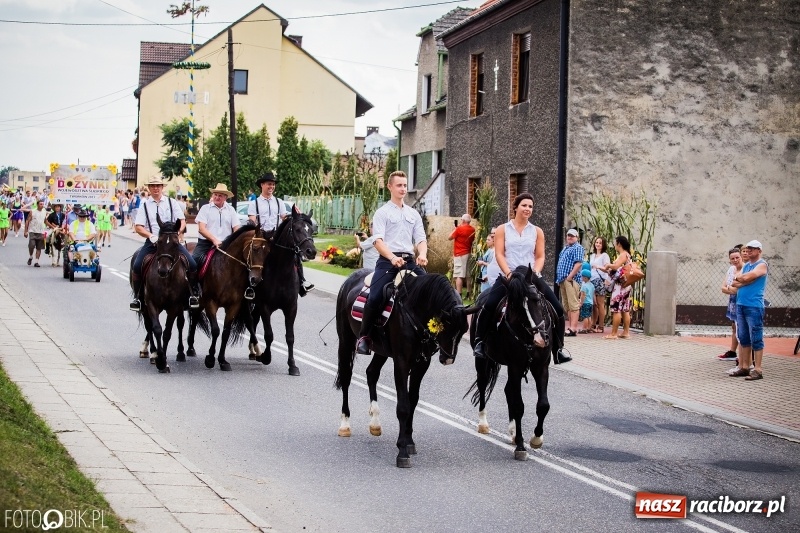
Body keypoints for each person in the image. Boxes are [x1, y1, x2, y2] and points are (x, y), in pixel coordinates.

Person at [472, 193, 571, 364]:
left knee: (558, 308)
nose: (528, 209)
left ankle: (559, 349)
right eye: (524, 205)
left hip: (530, 276)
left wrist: (535, 273)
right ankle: (480, 342)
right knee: (488, 305)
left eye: (531, 206)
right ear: (516, 207)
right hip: (508, 276)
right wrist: (508, 273)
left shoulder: (537, 231)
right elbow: (499, 253)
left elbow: (540, 256)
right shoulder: (503, 229)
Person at [355, 170, 428, 355]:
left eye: (405, 185)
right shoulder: (382, 213)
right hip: (387, 262)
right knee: (376, 295)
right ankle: (364, 337)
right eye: (399, 185)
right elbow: (378, 241)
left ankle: (428, 335)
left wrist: (422, 254)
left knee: (429, 291)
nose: (403, 189)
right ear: (390, 187)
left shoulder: (413, 214)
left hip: (410, 261)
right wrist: (392, 258)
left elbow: (420, 239)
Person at [130, 176, 199, 311]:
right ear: (149, 188)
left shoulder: (171, 202)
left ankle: (193, 295)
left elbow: (182, 220)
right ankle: (138, 298)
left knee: (192, 263)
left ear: (162, 187)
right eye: (153, 186)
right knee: (137, 265)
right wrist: (151, 236)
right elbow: (138, 226)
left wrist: (176, 234)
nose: (156, 188)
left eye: (158, 186)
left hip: (171, 242)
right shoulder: (144, 205)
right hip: (153, 242)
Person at [248, 172, 314, 295]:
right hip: (262, 238)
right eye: (269, 184)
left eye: (273, 184)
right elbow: (252, 220)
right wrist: (254, 229)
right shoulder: (254, 203)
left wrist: (295, 215)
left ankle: (302, 281)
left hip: (276, 238)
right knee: (253, 258)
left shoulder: (279, 202)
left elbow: (284, 218)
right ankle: (250, 287)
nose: (271, 187)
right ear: (262, 185)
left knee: (294, 254)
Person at [730, 240, 768, 381]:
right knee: (744, 336)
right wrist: (745, 279)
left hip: (754, 306)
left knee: (756, 337)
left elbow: (745, 277)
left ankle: (757, 369)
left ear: (759, 251)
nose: (750, 251)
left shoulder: (762, 265)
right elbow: (734, 282)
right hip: (741, 304)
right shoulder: (746, 266)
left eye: (753, 249)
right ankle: (744, 366)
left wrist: (744, 279)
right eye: (748, 248)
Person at [193, 183, 240, 266]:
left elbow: (236, 228)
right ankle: (193, 279)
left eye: (220, 196)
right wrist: (214, 240)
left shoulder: (231, 209)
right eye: (215, 194)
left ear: (225, 197)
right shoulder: (205, 208)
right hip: (206, 243)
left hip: (226, 243)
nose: (217, 197)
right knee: (194, 261)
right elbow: (201, 229)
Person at [601, 235, 634, 339]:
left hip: (620, 286)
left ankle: (614, 333)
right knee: (625, 309)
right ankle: (625, 332)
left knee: (617, 309)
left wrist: (609, 265)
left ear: (619, 244)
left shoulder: (623, 254)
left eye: (615, 243)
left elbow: (615, 267)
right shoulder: (628, 254)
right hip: (626, 285)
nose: (614, 245)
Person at [555, 228, 586, 337]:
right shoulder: (566, 248)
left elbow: (578, 263)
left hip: (571, 280)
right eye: (568, 235)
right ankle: (570, 327)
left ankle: (573, 328)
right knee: (567, 305)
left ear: (577, 237)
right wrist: (559, 279)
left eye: (572, 236)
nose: (570, 237)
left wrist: (569, 277)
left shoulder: (578, 247)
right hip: (563, 279)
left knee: (573, 304)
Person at [718, 246, 744, 361]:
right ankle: (732, 352)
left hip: (742, 301)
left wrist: (730, 288)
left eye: (737, 257)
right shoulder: (731, 270)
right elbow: (723, 288)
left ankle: (744, 356)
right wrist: (730, 288)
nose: (735, 260)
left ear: (741, 257)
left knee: (742, 328)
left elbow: (738, 290)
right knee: (734, 327)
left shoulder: (745, 269)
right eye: (732, 258)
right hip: (733, 302)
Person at [449, 214, 476, 295]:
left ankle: (459, 294)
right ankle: (469, 293)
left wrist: (456, 229)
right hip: (468, 253)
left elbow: (449, 237)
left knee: (459, 275)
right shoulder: (473, 229)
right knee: (468, 274)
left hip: (459, 254)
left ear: (463, 221)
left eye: (461, 220)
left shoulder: (459, 229)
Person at [589, 236, 611, 333]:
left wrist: (598, 266)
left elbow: (608, 269)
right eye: (596, 242)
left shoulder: (604, 255)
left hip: (599, 280)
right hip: (592, 280)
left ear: (603, 245)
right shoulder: (592, 255)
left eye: (600, 243)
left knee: (600, 303)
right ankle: (593, 324)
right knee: (594, 304)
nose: (597, 244)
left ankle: (601, 325)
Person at [24, 199, 48, 267]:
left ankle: (36, 262)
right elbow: (27, 221)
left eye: (43, 204)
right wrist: (25, 231)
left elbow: (45, 221)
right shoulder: (33, 211)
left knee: (39, 247)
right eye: (41, 204)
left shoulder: (44, 211)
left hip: (41, 232)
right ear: (37, 204)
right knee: (31, 245)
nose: (42, 205)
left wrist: (52, 226)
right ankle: (31, 256)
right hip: (32, 231)